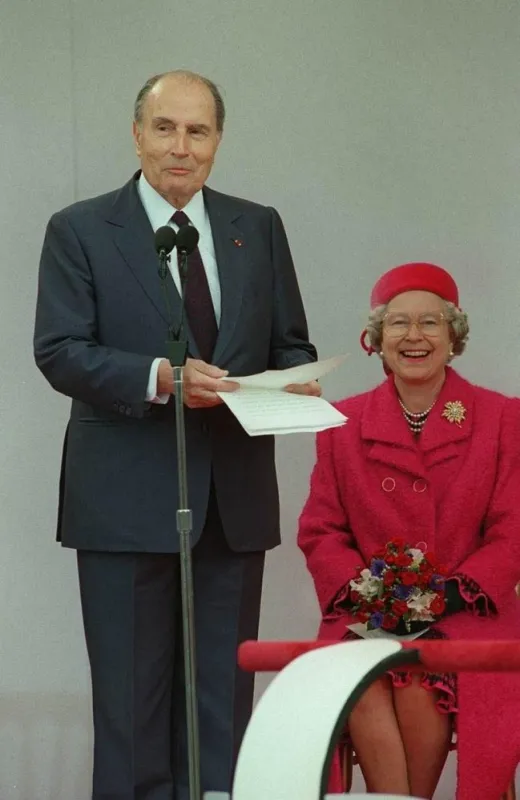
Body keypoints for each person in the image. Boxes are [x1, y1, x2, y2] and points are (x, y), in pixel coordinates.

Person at [34, 70, 320, 800]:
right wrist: (163, 376)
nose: (181, 148)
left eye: (198, 131)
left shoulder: (255, 226)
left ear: (218, 141)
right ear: (136, 134)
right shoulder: (80, 229)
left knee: (223, 705)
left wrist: (294, 382)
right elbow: (60, 350)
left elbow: (288, 344)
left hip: (231, 502)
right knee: (133, 708)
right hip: (125, 503)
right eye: (165, 129)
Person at [297, 262, 520, 800]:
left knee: (420, 682)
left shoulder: (501, 418)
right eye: (398, 324)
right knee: (365, 686)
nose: (413, 336)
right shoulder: (341, 425)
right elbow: (321, 530)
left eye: (430, 323)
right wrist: (366, 592)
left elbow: (513, 529)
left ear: (453, 337)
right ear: (376, 340)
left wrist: (451, 593)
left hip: (467, 613)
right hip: (366, 615)